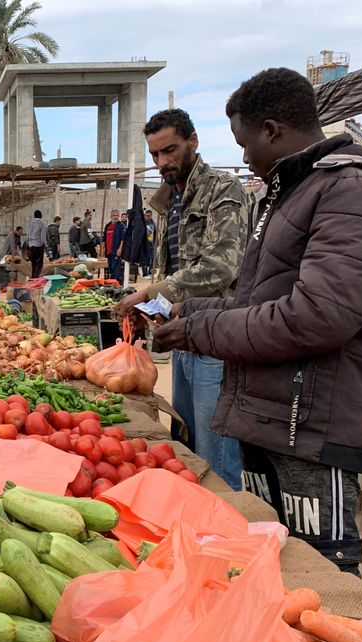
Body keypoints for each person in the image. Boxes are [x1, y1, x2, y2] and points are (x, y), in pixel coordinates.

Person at [154, 68, 362, 575]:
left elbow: (317, 317)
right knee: (271, 562)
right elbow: (256, 298)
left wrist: (200, 330)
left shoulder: (352, 192)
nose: (243, 158)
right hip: (273, 416)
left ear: (271, 130)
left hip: (311, 424)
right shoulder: (290, 195)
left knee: (319, 577)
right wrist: (192, 311)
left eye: (244, 144)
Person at [116, 108, 251, 490]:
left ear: (193, 141)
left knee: (217, 451)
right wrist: (150, 308)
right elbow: (173, 270)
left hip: (217, 336)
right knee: (186, 440)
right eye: (155, 154)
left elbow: (222, 266)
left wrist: (151, 292)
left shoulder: (224, 191)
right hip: (183, 336)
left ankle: (229, 529)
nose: (162, 162)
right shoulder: (169, 200)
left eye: (170, 150)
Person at [102, 209, 125, 283]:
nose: (116, 217)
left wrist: (120, 249)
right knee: (111, 268)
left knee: (116, 269)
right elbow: (104, 238)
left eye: (117, 215)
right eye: (114, 215)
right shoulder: (107, 226)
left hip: (116, 250)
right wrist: (103, 248)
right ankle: (113, 282)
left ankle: (116, 283)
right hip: (109, 251)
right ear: (111, 216)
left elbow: (123, 238)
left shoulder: (121, 226)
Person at [27, 209, 47, 278]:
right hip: (38, 246)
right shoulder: (42, 223)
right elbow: (43, 237)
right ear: (41, 216)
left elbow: (28, 235)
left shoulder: (31, 223)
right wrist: (46, 247)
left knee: (33, 264)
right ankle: (36, 279)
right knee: (39, 265)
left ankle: (32, 278)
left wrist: (29, 245)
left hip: (31, 246)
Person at [142, 209, 157, 279]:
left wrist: (156, 242)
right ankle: (145, 273)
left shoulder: (153, 223)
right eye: (146, 216)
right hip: (144, 244)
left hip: (151, 244)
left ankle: (150, 273)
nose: (147, 217)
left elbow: (156, 233)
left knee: (151, 259)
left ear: (151, 216)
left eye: (148, 216)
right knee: (145, 259)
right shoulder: (142, 223)